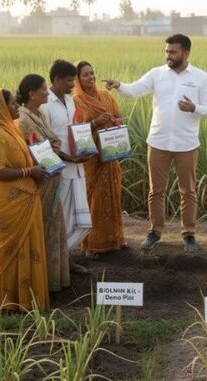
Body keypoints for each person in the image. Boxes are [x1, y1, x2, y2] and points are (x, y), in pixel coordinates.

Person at [104, 33, 207, 253]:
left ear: (186, 53)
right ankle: (154, 232)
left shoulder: (200, 77)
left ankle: (189, 234)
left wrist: (194, 108)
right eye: (166, 51)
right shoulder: (157, 74)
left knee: (188, 191)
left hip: (186, 143)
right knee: (156, 191)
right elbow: (135, 90)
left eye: (173, 52)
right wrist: (118, 85)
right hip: (158, 141)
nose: (168, 55)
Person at [0, 88, 49, 311]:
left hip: (26, 197)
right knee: (12, 251)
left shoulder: (10, 129)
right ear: (1, 108)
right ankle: (10, 300)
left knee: (30, 248)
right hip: (9, 202)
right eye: (11, 103)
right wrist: (30, 172)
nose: (16, 106)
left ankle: (28, 299)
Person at [16, 74, 72, 292]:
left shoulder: (37, 114)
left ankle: (54, 278)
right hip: (41, 180)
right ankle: (43, 281)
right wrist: (50, 152)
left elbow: (50, 143)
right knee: (45, 226)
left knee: (54, 225)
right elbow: (32, 150)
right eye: (43, 89)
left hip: (51, 176)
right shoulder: (23, 119)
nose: (47, 92)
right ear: (32, 94)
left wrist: (53, 151)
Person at [39, 59, 92, 274]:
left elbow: (75, 130)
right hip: (58, 170)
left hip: (76, 167)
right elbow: (46, 142)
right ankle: (54, 264)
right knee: (59, 218)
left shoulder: (70, 101)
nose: (73, 84)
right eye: (69, 81)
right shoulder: (45, 104)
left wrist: (85, 147)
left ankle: (66, 260)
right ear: (57, 79)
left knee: (73, 218)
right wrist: (69, 158)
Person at [72, 60, 127, 259]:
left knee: (112, 195)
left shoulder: (106, 96)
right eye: (85, 74)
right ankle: (93, 244)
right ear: (77, 79)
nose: (91, 77)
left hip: (110, 154)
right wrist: (95, 123)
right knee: (94, 199)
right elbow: (76, 131)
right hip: (92, 158)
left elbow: (119, 116)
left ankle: (114, 240)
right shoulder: (76, 102)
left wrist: (115, 121)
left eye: (92, 73)